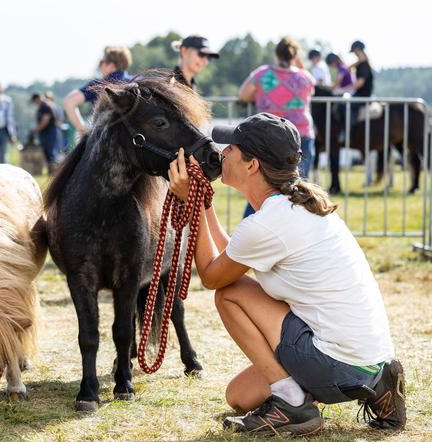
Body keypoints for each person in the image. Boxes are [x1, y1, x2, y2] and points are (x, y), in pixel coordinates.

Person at [168, 113, 406, 436]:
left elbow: (213, 276)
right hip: (366, 359)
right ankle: (379, 386)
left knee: (229, 294)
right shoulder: (293, 206)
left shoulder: (267, 224)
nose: (222, 152)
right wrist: (204, 203)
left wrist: (190, 203)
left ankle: (293, 403)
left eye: (232, 148)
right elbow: (231, 257)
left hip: (335, 361)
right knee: (238, 396)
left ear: (252, 165)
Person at [238, 37, 316, 217]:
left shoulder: (262, 74)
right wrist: (298, 63)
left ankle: (249, 231)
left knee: (263, 189)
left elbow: (243, 94)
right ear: (295, 55)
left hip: (268, 137)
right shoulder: (304, 77)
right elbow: (312, 88)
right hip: (301, 135)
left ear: (276, 53)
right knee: (298, 188)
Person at [63, 46, 132, 136]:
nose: (100, 66)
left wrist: (82, 130)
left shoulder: (99, 85)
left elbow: (69, 102)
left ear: (111, 65)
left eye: (101, 62)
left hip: (105, 142)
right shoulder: (138, 82)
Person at [31, 93, 59, 174]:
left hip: (49, 132)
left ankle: (54, 171)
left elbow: (45, 120)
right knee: (46, 153)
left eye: (34, 101)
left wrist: (37, 129)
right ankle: (51, 172)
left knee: (51, 153)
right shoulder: (41, 107)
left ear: (37, 99)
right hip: (44, 133)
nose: (34, 103)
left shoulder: (45, 106)